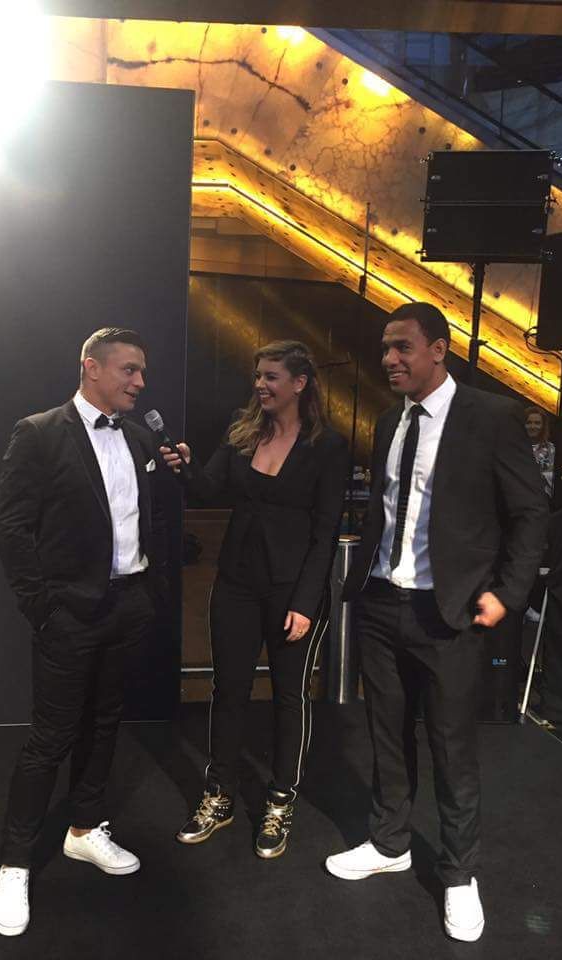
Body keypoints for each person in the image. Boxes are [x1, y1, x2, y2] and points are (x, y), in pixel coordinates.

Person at [325, 303, 548, 942]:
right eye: (385, 348)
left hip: (448, 613)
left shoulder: (491, 417)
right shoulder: (388, 420)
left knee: (452, 748)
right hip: (381, 603)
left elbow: (531, 513)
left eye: (402, 347)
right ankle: (390, 842)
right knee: (387, 734)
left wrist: (507, 592)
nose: (389, 359)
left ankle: (458, 874)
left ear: (439, 349)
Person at [0, 328, 168, 936]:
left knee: (105, 721)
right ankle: (15, 863)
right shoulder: (39, 433)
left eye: (142, 371)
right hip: (68, 614)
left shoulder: (139, 435)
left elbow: (144, 516)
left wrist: (148, 591)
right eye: (129, 369)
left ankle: (85, 829)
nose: (140, 381)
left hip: (128, 605)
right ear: (92, 367)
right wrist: (40, 607)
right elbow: (11, 529)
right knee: (51, 738)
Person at [162, 340, 348, 859]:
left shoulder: (328, 447)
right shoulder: (242, 431)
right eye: (258, 376)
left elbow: (326, 533)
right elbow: (207, 491)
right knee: (229, 690)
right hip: (237, 584)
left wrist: (306, 603)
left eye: (271, 376)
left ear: (299, 383)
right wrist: (185, 469)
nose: (260, 385)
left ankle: (280, 800)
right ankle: (219, 794)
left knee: (290, 697)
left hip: (293, 592)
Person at [524, 405, 555, 497]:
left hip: (542, 497)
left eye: (537, 423)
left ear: (543, 426)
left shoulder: (551, 449)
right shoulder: (514, 447)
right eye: (528, 423)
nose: (532, 426)